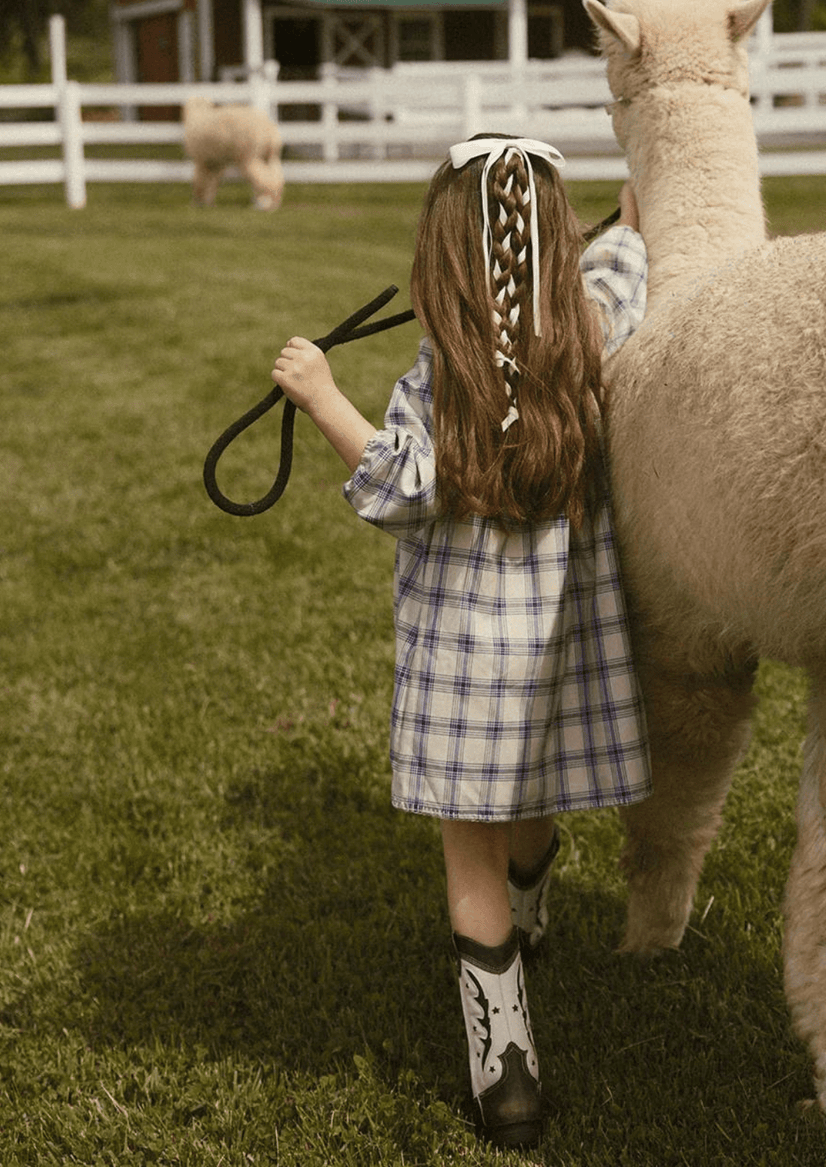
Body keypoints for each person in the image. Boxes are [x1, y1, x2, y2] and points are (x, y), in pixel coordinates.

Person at [271, 134, 651, 1150]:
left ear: (441, 254)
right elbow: (620, 269)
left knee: (468, 852)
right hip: (561, 659)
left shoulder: (441, 380)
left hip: (463, 668)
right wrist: (630, 219)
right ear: (555, 241)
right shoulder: (593, 341)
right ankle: (535, 906)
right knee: (525, 812)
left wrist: (319, 397)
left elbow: (397, 484)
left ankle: (507, 1074)